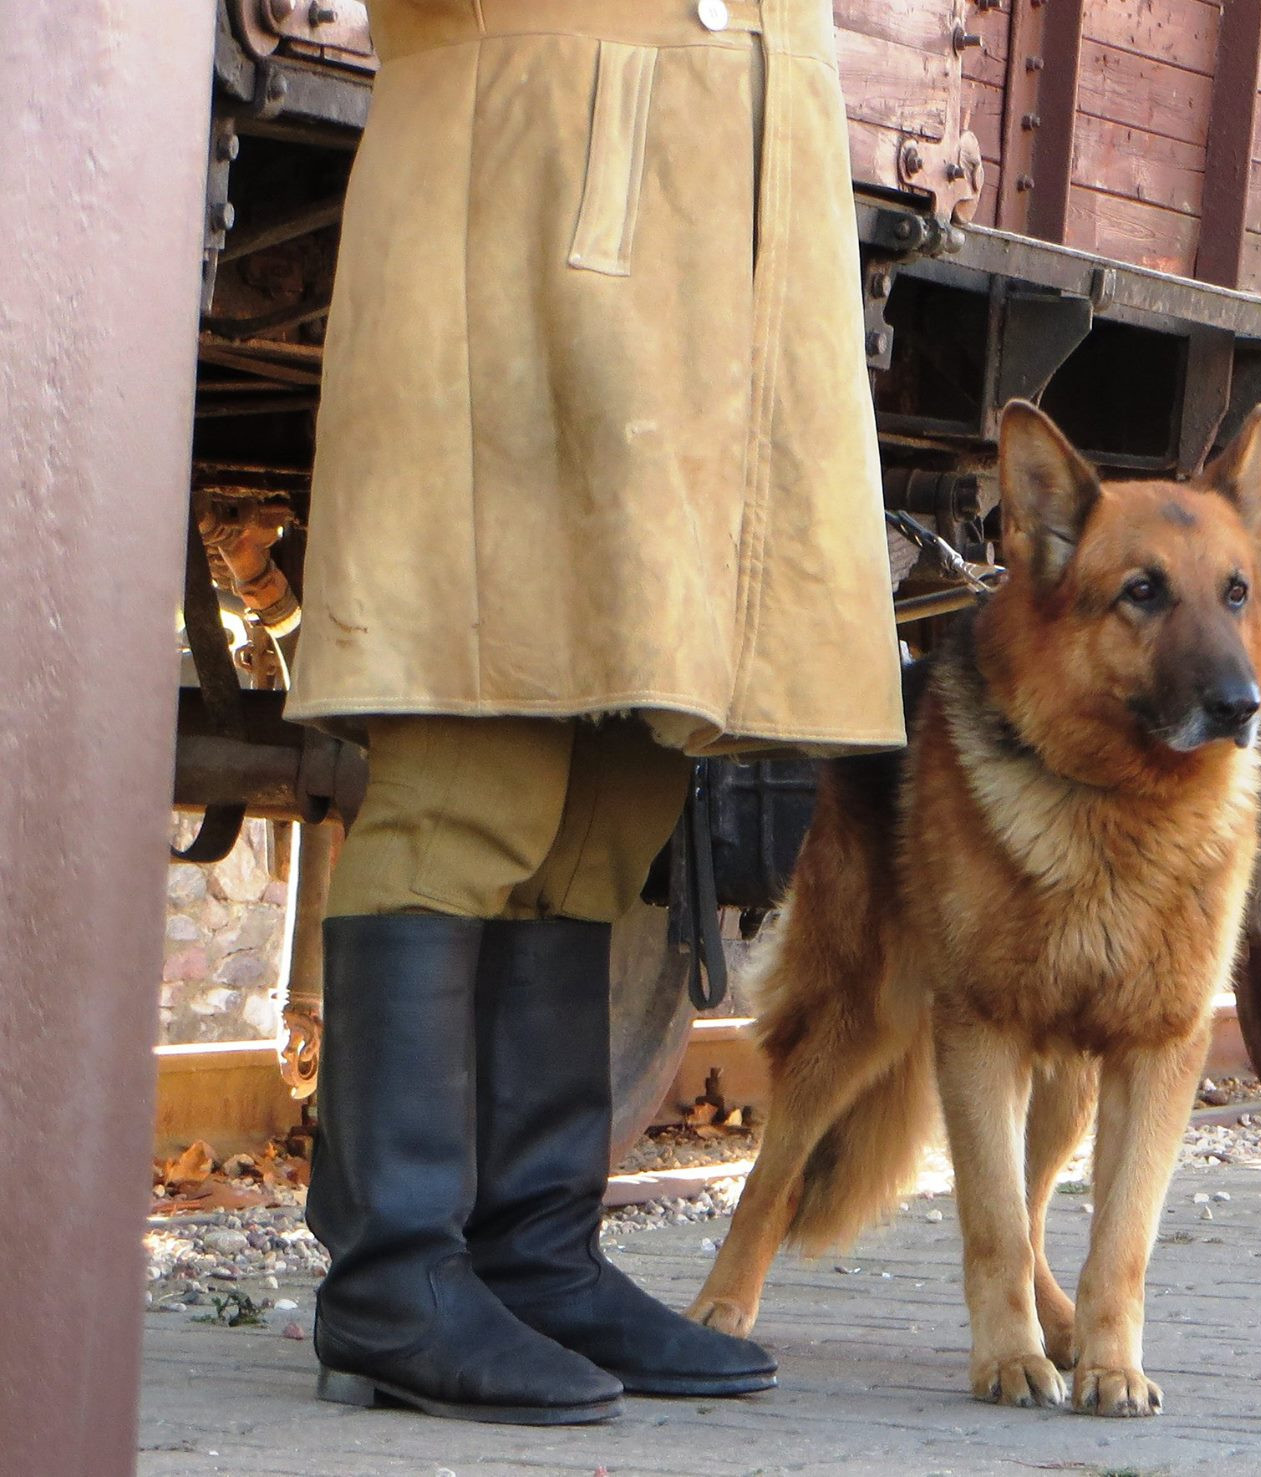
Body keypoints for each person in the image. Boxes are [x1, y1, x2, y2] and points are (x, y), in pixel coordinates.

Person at [282, 0, 907, 1425]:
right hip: (525, 203)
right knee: (472, 747)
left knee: (616, 781)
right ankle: (394, 1274)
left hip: (716, 258)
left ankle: (529, 1249)